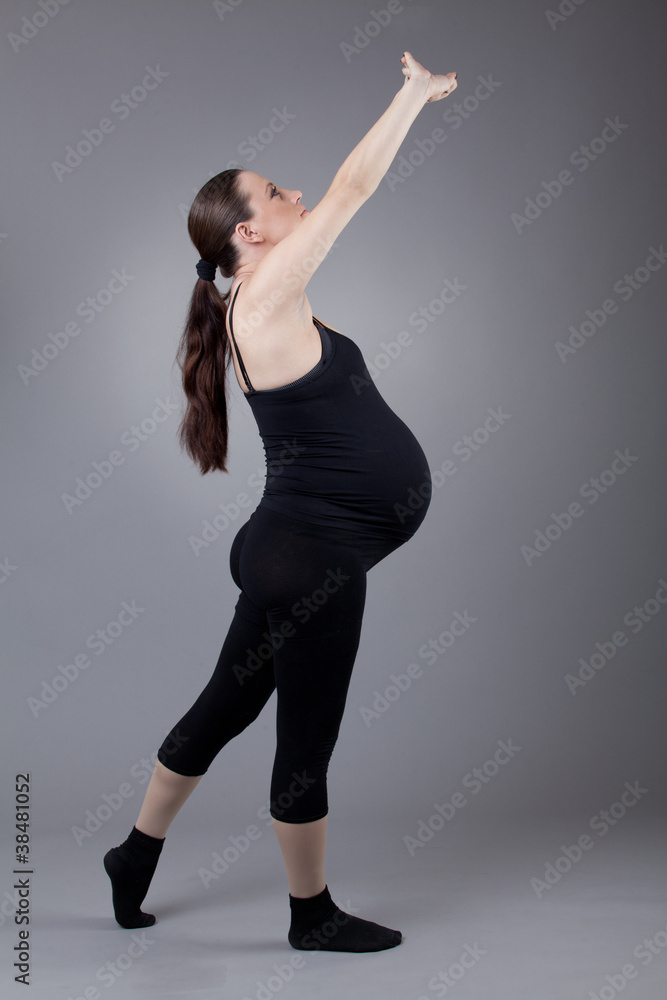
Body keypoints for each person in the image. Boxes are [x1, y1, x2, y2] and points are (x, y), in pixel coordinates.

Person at [104, 51, 457, 953]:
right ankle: (311, 916)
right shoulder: (261, 301)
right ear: (250, 235)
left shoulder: (270, 299)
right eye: (274, 191)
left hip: (297, 546)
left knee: (226, 702)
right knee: (305, 738)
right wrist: (411, 95)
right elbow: (352, 186)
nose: (294, 192)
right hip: (311, 555)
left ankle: (133, 855)